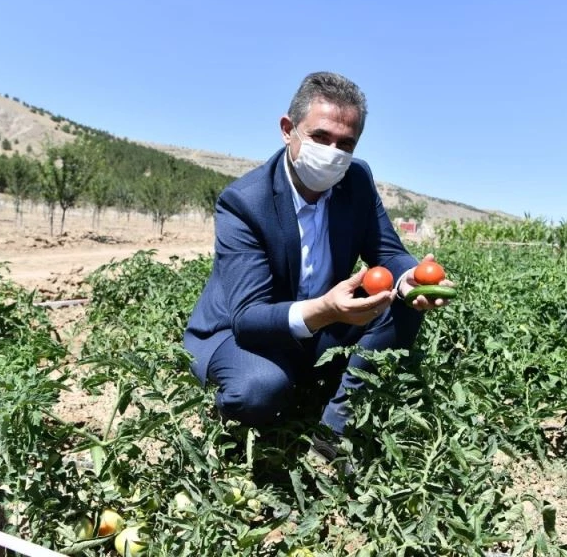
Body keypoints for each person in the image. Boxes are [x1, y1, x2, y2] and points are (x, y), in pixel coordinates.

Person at [182, 71, 449, 459]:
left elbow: (387, 251)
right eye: (320, 137)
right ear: (288, 129)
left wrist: (410, 276)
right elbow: (249, 318)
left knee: (401, 302)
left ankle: (335, 429)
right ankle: (244, 415)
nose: (333, 152)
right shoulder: (244, 202)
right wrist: (324, 310)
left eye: (346, 143)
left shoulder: (356, 180)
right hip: (244, 331)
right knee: (258, 391)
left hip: (323, 316)